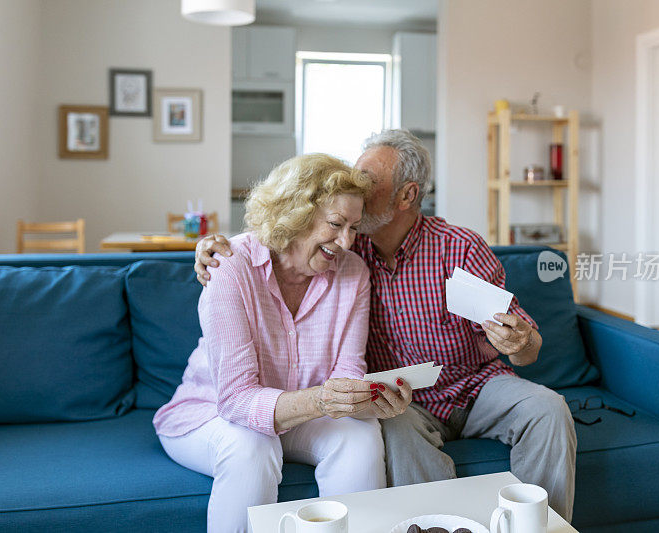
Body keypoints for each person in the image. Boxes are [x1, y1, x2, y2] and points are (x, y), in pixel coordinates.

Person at [194, 131, 577, 521]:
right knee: (386, 431)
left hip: (474, 386)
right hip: (403, 400)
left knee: (548, 408)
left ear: (407, 196)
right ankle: (437, 528)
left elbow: (526, 345)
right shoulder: (343, 247)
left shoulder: (457, 247)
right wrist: (210, 249)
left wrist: (520, 341)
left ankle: (545, 527)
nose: (356, 184)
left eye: (369, 180)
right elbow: (281, 235)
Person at [154, 154, 412, 533]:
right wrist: (323, 399)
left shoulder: (354, 273)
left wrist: (371, 399)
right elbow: (237, 401)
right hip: (212, 413)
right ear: (295, 214)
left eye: (354, 228)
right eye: (337, 224)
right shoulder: (230, 266)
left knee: (361, 437)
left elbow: (346, 373)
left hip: (304, 414)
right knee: (252, 447)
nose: (346, 242)